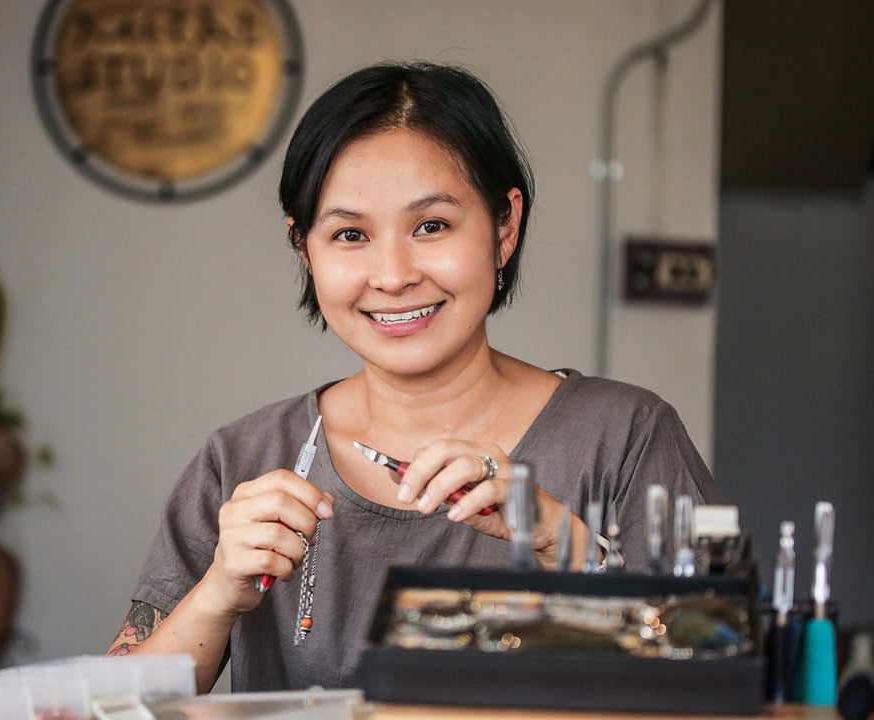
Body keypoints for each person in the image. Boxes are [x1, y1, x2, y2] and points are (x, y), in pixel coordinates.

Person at [108, 62, 721, 692]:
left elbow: (719, 675)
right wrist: (217, 594)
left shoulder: (623, 438)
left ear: (503, 226)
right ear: (304, 250)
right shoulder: (243, 460)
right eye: (350, 234)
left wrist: (562, 544)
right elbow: (110, 706)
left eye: (431, 226)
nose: (394, 273)